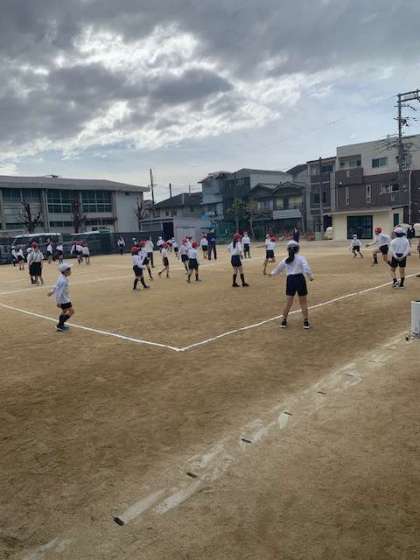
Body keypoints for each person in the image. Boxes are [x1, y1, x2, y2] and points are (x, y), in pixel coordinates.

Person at [271, 240, 314, 329]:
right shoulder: (301, 258)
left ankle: (283, 321)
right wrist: (310, 277)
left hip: (290, 280)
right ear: (297, 249)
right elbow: (306, 268)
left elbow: (278, 269)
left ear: (288, 249)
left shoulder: (285, 260)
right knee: (303, 302)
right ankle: (306, 322)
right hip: (300, 279)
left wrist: (271, 274)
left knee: (288, 302)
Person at [48, 262, 74, 332]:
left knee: (64, 311)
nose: (70, 271)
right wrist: (58, 302)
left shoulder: (61, 277)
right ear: (65, 271)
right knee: (71, 311)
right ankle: (60, 325)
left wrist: (52, 291)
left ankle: (60, 325)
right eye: (69, 269)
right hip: (64, 299)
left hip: (64, 298)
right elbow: (59, 292)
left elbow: (56, 285)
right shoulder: (63, 281)